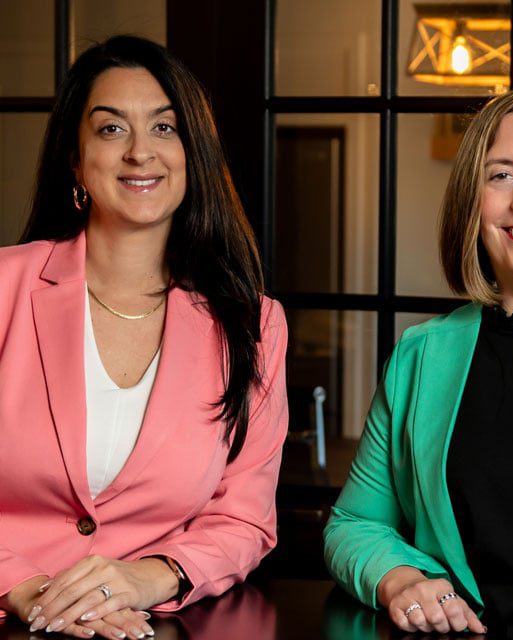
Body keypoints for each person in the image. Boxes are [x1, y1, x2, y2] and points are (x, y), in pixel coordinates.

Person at [0, 36, 288, 640]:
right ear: (75, 159)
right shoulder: (4, 287)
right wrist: (23, 587)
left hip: (153, 627)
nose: (140, 152)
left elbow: (245, 518)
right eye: (111, 129)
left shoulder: (253, 324)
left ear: (192, 153)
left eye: (164, 127)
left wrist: (149, 577)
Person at [324, 87, 513, 639]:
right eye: (500, 175)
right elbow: (354, 524)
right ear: (473, 199)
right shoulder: (421, 356)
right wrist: (400, 578)